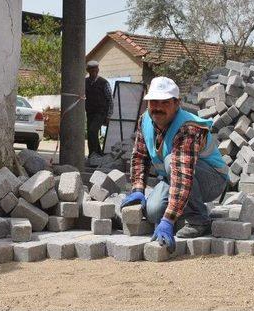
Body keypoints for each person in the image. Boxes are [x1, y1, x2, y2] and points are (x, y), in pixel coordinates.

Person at [120, 76, 229, 251]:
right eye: (154, 102)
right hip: (174, 175)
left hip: (212, 180)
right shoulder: (145, 120)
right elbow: (140, 155)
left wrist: (168, 219)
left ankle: (199, 219)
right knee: (153, 211)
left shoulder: (189, 128)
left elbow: (182, 174)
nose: (158, 108)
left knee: (172, 161)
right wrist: (138, 189)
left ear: (177, 103)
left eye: (165, 103)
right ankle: (182, 209)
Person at [84, 60, 113, 157]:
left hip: (101, 112)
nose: (93, 72)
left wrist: (109, 115)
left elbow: (110, 100)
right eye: (91, 70)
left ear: (98, 70)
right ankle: (92, 154)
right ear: (88, 70)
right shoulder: (85, 82)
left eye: (95, 70)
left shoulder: (104, 83)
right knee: (90, 133)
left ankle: (98, 153)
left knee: (93, 130)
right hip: (90, 112)